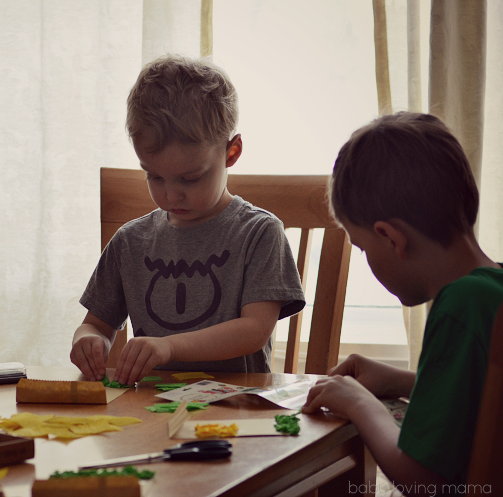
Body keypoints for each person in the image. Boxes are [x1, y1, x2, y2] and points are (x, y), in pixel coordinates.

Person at [70, 55, 305, 385]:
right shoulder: (129, 241)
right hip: (148, 410)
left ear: (231, 152)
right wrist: (88, 340)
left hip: (236, 411)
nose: (170, 196)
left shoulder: (259, 233)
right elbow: (97, 323)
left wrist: (168, 347)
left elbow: (254, 330)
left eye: (190, 178)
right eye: (154, 177)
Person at [302, 112, 503, 494]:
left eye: (362, 248)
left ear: (392, 238)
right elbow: (483, 400)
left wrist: (359, 403)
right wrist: (402, 380)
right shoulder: (492, 293)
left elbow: (420, 478)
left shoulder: (461, 304)